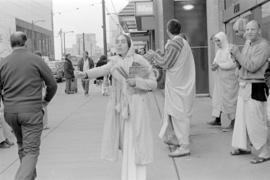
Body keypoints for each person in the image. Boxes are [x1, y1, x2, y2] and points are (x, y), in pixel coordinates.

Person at [75, 33, 157, 180]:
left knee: (137, 143)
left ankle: (138, 177)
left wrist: (137, 81)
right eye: (117, 42)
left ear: (129, 44)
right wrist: (85, 74)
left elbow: (153, 83)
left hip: (138, 107)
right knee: (126, 144)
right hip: (123, 109)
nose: (119, 45)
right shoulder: (114, 62)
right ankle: (128, 176)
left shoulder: (139, 60)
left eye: (122, 42)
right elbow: (101, 70)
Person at [0, 31, 57, 179]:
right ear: (26, 43)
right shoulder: (36, 60)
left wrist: (6, 103)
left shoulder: (3, 62)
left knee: (23, 146)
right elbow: (52, 84)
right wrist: (46, 100)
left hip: (11, 113)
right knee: (31, 151)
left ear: (10, 44)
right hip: (31, 111)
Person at [145, 19, 196, 157]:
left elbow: (166, 63)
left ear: (168, 30)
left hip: (178, 86)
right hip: (180, 84)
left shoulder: (175, 43)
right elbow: (171, 60)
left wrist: (155, 56)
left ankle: (184, 146)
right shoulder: (182, 42)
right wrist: (160, 55)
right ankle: (177, 140)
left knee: (178, 115)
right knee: (177, 114)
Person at [230, 20, 270, 164]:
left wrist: (237, 53)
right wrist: (236, 59)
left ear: (259, 30)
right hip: (244, 86)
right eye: (247, 30)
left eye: (252, 29)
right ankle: (244, 146)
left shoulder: (263, 46)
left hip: (257, 87)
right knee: (242, 120)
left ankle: (265, 151)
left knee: (256, 121)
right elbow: (244, 63)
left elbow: (252, 66)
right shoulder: (248, 43)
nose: (249, 32)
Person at [208, 32, 238, 131]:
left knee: (230, 102)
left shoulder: (230, 49)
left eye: (218, 40)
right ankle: (218, 119)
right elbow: (215, 63)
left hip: (229, 82)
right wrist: (214, 66)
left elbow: (232, 64)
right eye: (216, 41)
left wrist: (219, 65)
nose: (217, 43)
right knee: (218, 100)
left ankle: (233, 124)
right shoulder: (219, 51)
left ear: (223, 39)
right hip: (220, 81)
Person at [34, 51, 49, 130]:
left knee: (43, 105)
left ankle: (44, 124)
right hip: (35, 88)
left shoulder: (42, 65)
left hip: (41, 87)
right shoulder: (33, 65)